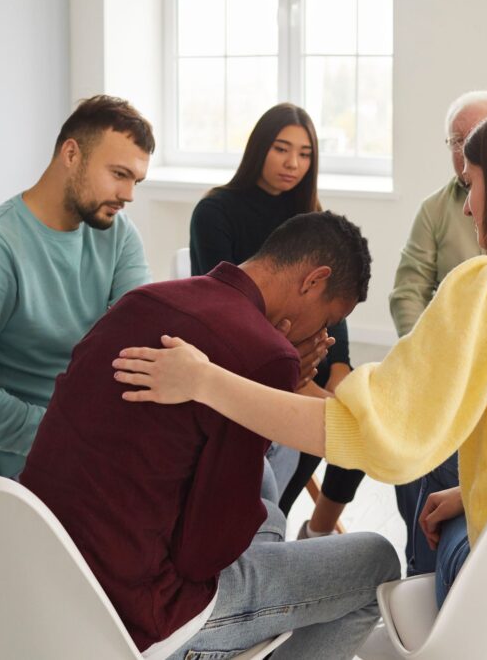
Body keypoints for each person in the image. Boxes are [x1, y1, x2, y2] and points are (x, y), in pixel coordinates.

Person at [115, 106, 487, 657]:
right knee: (448, 502)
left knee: (402, 541)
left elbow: (378, 438)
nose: (467, 208)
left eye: (472, 185)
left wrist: (205, 381)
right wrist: (472, 493)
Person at [21, 211, 399, 659]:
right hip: (147, 614)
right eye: (328, 319)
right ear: (313, 281)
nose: (322, 334)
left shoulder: (143, 300)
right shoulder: (265, 354)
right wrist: (278, 365)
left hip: (45, 583)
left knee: (265, 499)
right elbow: (203, 557)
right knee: (377, 562)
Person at [0, 94, 153, 478]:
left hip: (111, 439)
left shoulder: (118, 235)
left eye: (136, 180)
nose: (128, 195)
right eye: (119, 174)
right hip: (48, 463)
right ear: (71, 154)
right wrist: (74, 432)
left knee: (245, 475)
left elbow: (138, 345)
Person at [188, 102, 359, 537]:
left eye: (304, 154)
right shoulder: (215, 212)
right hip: (255, 358)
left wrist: (339, 368)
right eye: (282, 149)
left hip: (313, 357)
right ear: (259, 148)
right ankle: (268, 525)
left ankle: (315, 531)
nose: (293, 163)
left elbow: (332, 304)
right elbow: (222, 305)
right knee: (324, 428)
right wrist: (301, 380)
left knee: (358, 426)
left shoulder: (313, 217)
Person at [388, 88, 487, 575]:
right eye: (457, 140)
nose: (464, 149)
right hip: (444, 362)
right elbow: (407, 291)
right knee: (408, 431)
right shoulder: (436, 208)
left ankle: (427, 567)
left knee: (436, 442)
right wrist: (428, 358)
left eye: (476, 138)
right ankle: (422, 556)